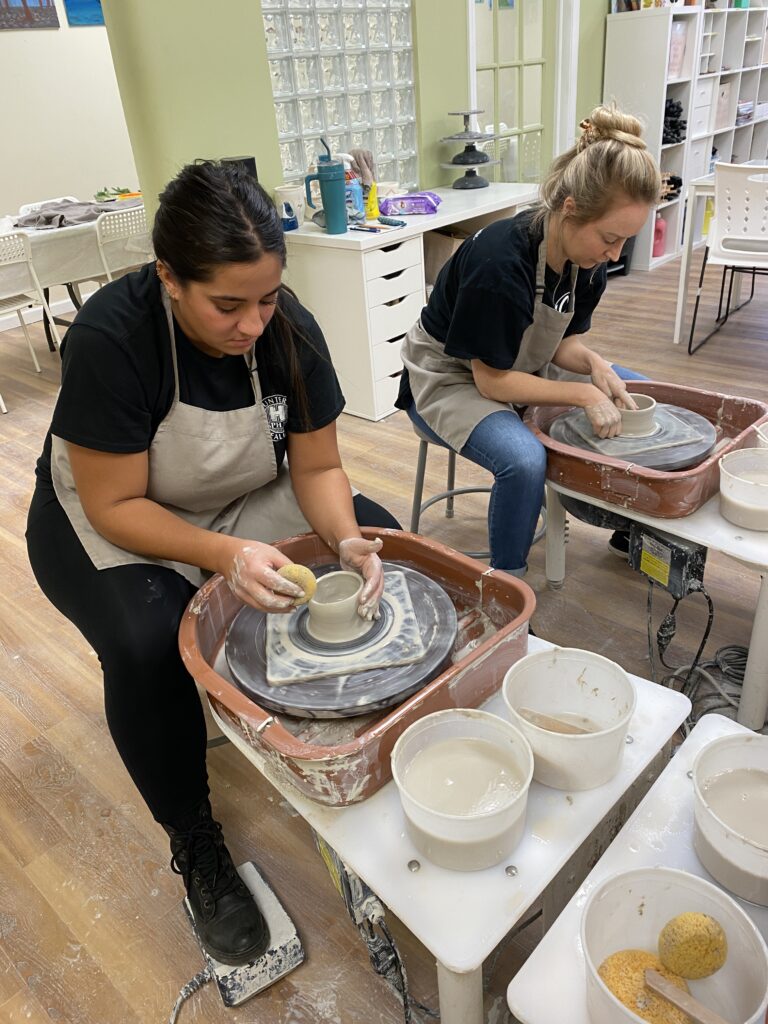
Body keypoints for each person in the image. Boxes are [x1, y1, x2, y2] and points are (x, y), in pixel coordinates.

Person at [26, 161, 401, 966]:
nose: (252, 324)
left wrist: (345, 541)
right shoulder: (110, 338)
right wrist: (224, 556)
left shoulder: (286, 326)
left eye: (266, 299)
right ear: (168, 277)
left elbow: (319, 470)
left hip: (232, 493)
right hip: (103, 511)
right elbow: (115, 506)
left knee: (378, 528)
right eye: (227, 305)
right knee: (147, 641)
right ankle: (195, 843)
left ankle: (329, 736)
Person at [396, 105, 662, 575]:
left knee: (642, 393)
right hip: (450, 376)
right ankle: (506, 589)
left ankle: (630, 533)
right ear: (570, 208)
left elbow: (560, 344)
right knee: (523, 459)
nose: (615, 253)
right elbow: (493, 382)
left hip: (521, 362)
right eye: (609, 237)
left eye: (626, 241)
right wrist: (583, 393)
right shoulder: (500, 264)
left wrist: (596, 366)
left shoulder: (590, 263)